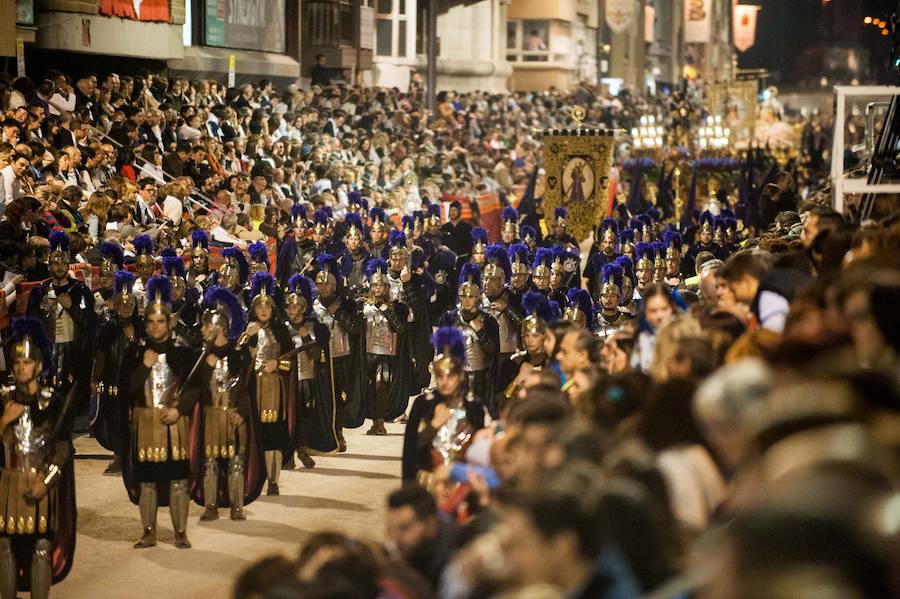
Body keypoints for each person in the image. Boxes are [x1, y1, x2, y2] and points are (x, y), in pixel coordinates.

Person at [0, 318, 76, 599]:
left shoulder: (52, 401)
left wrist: (47, 481)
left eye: (28, 361)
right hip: (7, 485)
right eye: (17, 361)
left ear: (39, 365)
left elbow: (64, 448)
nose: (21, 367)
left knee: (41, 547)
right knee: (5, 546)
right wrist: (3, 421)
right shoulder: (2, 399)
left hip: (41, 483)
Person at [121, 275, 196, 549]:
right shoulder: (136, 350)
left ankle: (180, 532)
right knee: (148, 482)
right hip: (146, 424)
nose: (155, 327)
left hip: (174, 423)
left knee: (178, 480)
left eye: (160, 321)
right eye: (151, 322)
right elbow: (125, 388)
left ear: (168, 322)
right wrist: (143, 366)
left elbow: (194, 386)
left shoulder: (182, 350)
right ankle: (149, 532)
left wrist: (180, 410)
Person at [194, 286, 265, 521]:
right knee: (211, 463)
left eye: (206, 325)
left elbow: (248, 385)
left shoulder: (239, 354)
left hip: (235, 415)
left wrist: (243, 412)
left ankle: (237, 507)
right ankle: (210, 506)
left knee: (236, 463)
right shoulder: (200, 356)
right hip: (212, 415)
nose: (203, 329)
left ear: (219, 327)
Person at [402, 327, 487, 485]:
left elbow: (478, 456)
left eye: (450, 376)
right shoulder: (423, 404)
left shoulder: (473, 406)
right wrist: (433, 425)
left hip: (463, 485)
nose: (444, 382)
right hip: (429, 482)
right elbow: (411, 453)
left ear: (461, 375)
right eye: (440, 376)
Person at [240, 273, 293, 496]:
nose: (264, 311)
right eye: (259, 307)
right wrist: (245, 337)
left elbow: (292, 362)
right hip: (252, 389)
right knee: (253, 434)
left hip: (274, 389)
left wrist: (278, 363)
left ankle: (273, 480)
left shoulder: (281, 331)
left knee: (273, 435)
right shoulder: (247, 330)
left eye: (267, 307)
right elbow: (237, 360)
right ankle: (251, 478)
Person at [284, 274, 339, 466]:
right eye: (288, 306)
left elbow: (318, 356)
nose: (291, 310)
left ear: (303, 307)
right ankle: (288, 454)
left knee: (306, 416)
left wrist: (307, 338)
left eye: (295, 306)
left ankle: (303, 449)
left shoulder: (314, 326)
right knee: (289, 416)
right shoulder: (281, 328)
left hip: (308, 378)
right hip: (288, 380)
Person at [360, 259, 410, 435]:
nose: (378, 289)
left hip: (386, 354)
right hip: (367, 354)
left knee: (381, 385)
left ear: (387, 288)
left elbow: (400, 328)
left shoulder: (396, 307)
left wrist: (385, 309)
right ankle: (373, 420)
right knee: (369, 387)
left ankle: (380, 421)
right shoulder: (363, 306)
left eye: (382, 286)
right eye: (375, 285)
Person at [386, 485, 458, 589]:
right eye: (390, 529)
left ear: (429, 524)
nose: (394, 538)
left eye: (404, 528)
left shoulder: (452, 563)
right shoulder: (413, 549)